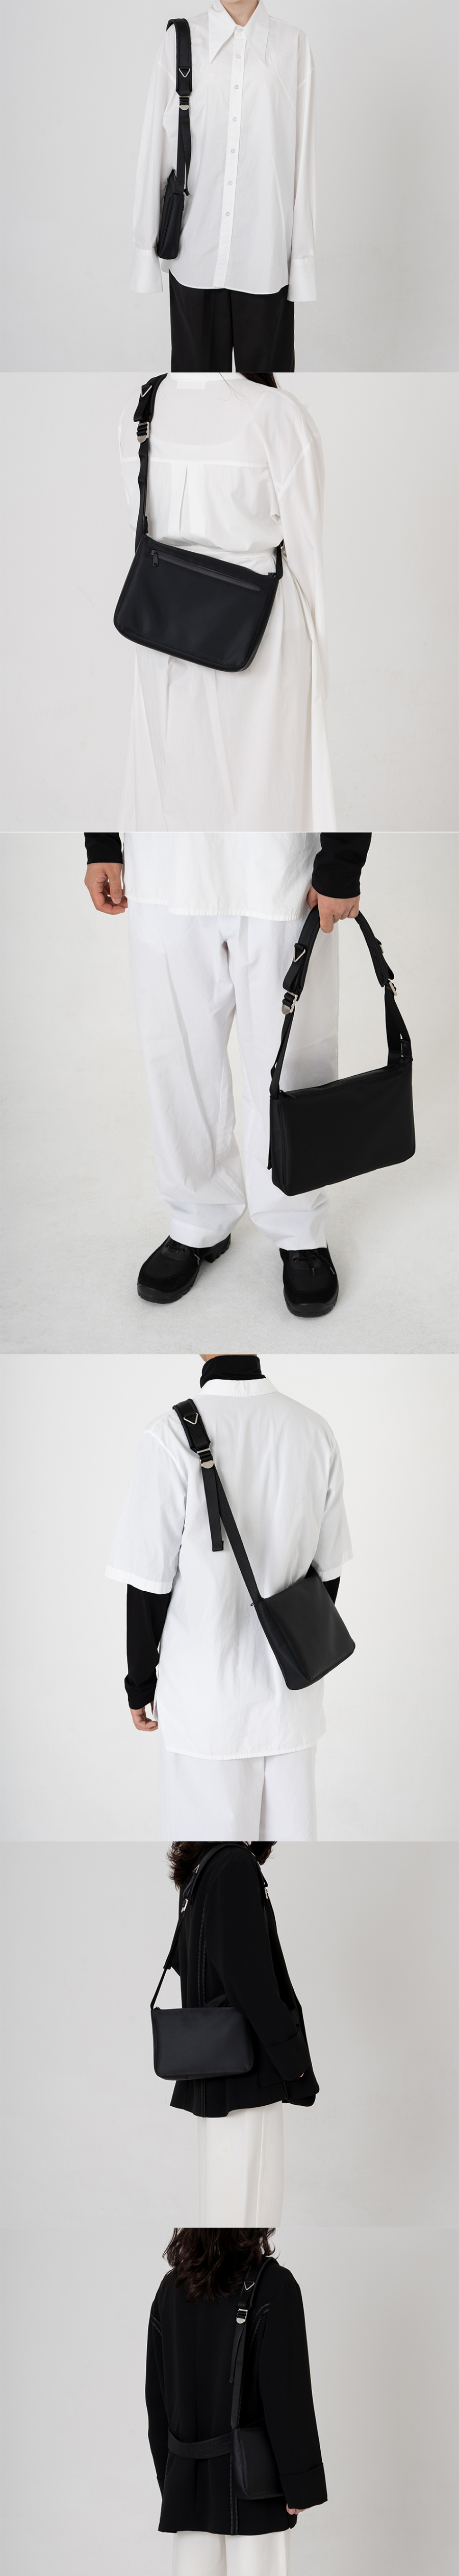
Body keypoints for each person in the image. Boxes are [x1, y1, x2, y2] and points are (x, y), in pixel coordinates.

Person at [84, 830, 371, 1316]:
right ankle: (198, 1216)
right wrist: (102, 844)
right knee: (176, 1054)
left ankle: (298, 1224)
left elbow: (355, 772)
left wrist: (343, 860)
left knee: (295, 1059)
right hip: (164, 858)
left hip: (281, 857)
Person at [106, 1349, 353, 1838]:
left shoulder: (168, 1435)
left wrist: (140, 1683)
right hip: (292, 1703)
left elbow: (149, 1585)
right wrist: (293, 1654)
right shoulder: (314, 1430)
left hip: (205, 1705)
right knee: (288, 1863)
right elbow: (328, 1575)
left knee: (209, 1864)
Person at [112, 372, 334, 832]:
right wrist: (319, 672)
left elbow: (140, 522)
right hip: (264, 633)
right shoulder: (278, 414)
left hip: (163, 628)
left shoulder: (143, 405)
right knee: (267, 797)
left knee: (173, 793)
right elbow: (307, 548)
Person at [145, 2226, 327, 2576]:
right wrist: (300, 2483)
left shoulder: (171, 2287)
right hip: (254, 2481)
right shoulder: (273, 2284)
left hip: (187, 2474)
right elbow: (287, 2392)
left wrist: (171, 2475)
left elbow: (157, 2394)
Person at [131, 0, 316, 376]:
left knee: (266, 399)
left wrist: (301, 261)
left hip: (265, 257)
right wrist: (144, 249)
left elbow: (303, 159)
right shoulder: (181, 41)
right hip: (195, 254)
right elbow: (156, 147)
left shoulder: (292, 45)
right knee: (196, 396)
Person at [156, 1836, 319, 2225]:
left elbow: (192, 1962)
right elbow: (249, 1979)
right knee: (251, 2208)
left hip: (216, 2070)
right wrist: (291, 2057)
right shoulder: (233, 1864)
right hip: (248, 2073)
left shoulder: (202, 1867)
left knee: (223, 2205)